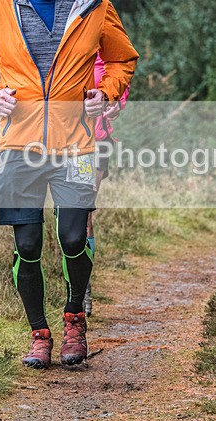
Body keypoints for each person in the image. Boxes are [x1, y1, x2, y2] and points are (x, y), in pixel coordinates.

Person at [0, 0, 138, 367]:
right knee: (28, 245)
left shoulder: (93, 4)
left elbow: (122, 58)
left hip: (75, 144)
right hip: (18, 145)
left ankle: (75, 318)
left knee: (74, 237)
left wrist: (106, 92)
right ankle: (39, 333)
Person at [84, 53, 130, 317]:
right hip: (60, 141)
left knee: (83, 214)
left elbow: (121, 75)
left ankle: (81, 288)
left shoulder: (107, 48)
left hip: (98, 141)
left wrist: (117, 104)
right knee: (63, 216)